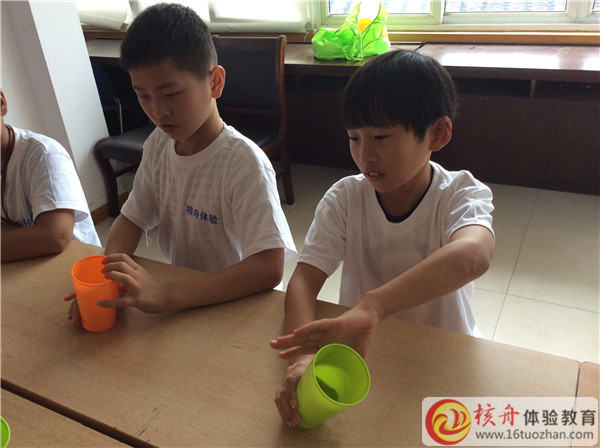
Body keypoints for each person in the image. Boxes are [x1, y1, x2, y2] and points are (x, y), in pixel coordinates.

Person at [270, 50, 495, 427]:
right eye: (354, 138)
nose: (365, 155)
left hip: (443, 352)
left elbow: (474, 254)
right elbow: (304, 281)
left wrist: (374, 306)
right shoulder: (345, 198)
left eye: (381, 137)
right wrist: (304, 355)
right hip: (362, 355)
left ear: (437, 134)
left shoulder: (460, 193)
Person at [65, 3, 296, 323]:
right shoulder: (158, 144)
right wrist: (108, 278)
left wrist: (167, 295)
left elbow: (268, 268)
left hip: (239, 305)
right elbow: (131, 219)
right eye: (143, 96)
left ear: (215, 82)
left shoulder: (244, 164)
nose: (158, 111)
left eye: (170, 94)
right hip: (185, 297)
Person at [1, 89, 101, 262]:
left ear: (1, 103)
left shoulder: (44, 153)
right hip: (22, 260)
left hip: (73, 263)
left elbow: (56, 235)